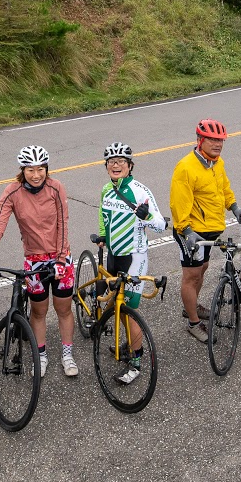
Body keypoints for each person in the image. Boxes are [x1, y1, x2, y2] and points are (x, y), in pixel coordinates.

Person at [0, 145, 77, 378]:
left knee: (63, 309)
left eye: (40, 169)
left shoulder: (56, 188)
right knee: (39, 310)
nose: (36, 175)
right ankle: (40, 355)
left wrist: (62, 258)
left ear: (46, 169)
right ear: (22, 170)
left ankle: (67, 354)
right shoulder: (12, 192)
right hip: (34, 260)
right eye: (30, 170)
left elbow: (63, 223)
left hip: (60, 257)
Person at [98, 141, 166, 383]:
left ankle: (135, 361)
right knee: (113, 303)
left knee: (129, 311)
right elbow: (103, 215)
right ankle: (122, 342)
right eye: (111, 162)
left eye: (121, 162)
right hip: (114, 255)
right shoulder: (107, 189)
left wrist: (146, 215)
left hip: (134, 257)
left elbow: (161, 224)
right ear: (106, 166)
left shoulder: (139, 191)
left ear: (130, 166)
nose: (116, 165)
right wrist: (103, 236)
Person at [170, 118, 237, 343]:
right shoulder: (186, 167)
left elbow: (224, 188)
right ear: (200, 140)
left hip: (209, 230)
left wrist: (235, 207)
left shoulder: (218, 163)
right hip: (191, 232)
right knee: (191, 276)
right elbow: (178, 204)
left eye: (221, 140)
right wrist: (186, 231)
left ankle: (193, 307)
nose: (217, 144)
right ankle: (193, 323)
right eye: (212, 139)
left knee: (203, 267)